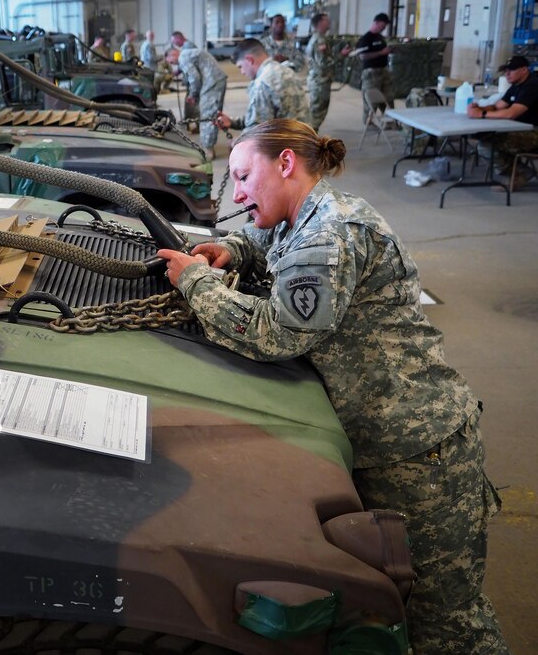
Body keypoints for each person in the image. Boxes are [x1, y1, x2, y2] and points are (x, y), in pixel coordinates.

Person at [156, 119, 509, 655]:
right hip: (387, 443)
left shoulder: (328, 234)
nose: (239, 192)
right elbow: (263, 238)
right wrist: (232, 251)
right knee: (393, 609)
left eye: (244, 176)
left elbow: (276, 333)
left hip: (420, 453)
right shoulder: (305, 214)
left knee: (446, 625)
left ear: (286, 164)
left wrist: (195, 282)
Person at [467, 55, 538, 191]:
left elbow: (511, 113)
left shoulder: (532, 86)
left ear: (524, 70)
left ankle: (516, 175)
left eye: (511, 70)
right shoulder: (516, 86)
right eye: (506, 70)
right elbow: (499, 106)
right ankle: (524, 171)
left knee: (486, 145)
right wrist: (480, 108)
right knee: (481, 136)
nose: (507, 74)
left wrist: (481, 114)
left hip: (533, 132)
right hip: (521, 130)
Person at [216, 38, 309, 134]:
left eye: (241, 67)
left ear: (249, 60)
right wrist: (232, 122)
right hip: (302, 140)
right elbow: (264, 115)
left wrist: (236, 142)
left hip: (286, 144)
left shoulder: (262, 84)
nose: (242, 72)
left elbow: (257, 130)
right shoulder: (286, 70)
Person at [167, 46, 227, 160]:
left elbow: (194, 77)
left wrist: (192, 95)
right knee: (209, 114)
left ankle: (208, 149)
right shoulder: (188, 53)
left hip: (211, 83)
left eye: (171, 61)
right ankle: (208, 146)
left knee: (208, 115)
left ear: (173, 54)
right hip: (214, 80)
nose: (173, 64)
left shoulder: (183, 57)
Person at [304, 12, 351, 131]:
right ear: (319, 23)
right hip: (320, 81)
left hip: (318, 80)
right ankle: (309, 139)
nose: (329, 22)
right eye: (326, 20)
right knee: (317, 114)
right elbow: (324, 64)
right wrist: (341, 55)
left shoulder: (317, 38)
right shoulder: (320, 40)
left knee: (316, 111)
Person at [353, 12, 395, 119]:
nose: (384, 28)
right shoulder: (366, 39)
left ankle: (390, 120)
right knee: (371, 101)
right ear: (376, 23)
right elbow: (363, 56)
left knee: (388, 97)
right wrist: (381, 53)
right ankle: (368, 121)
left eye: (385, 26)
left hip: (383, 71)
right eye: (382, 25)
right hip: (371, 73)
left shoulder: (380, 38)